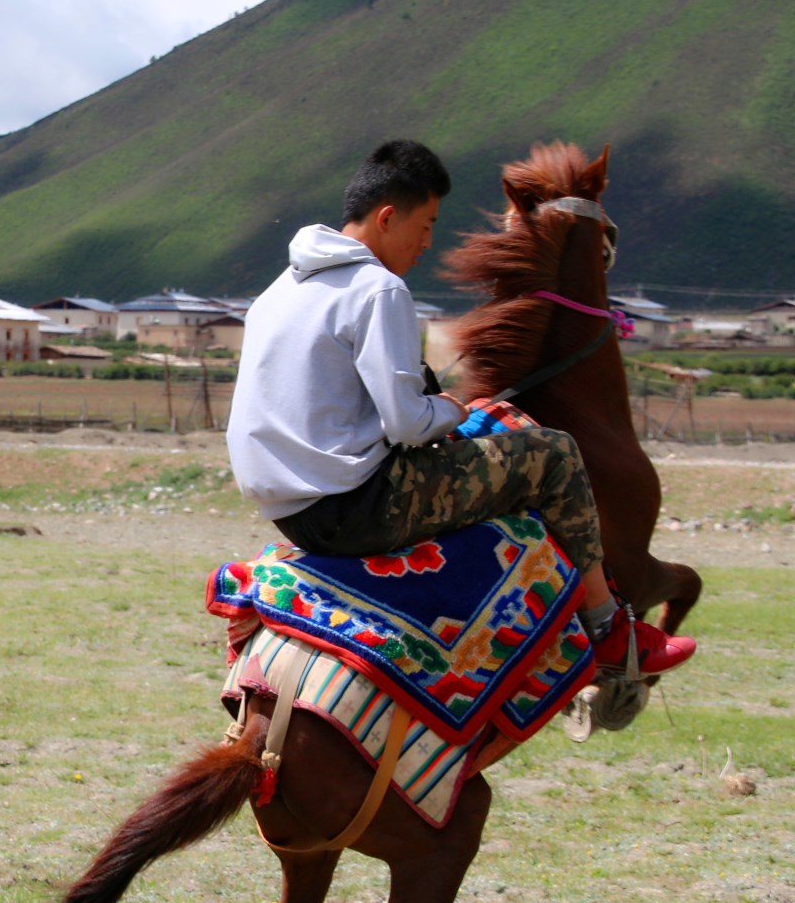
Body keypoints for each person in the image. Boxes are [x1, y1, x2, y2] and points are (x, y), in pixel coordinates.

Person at [225, 139, 694, 675]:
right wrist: (451, 409)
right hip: (360, 507)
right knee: (555, 454)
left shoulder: (278, 291)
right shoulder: (377, 289)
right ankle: (613, 632)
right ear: (386, 217)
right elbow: (406, 423)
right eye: (425, 224)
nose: (428, 242)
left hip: (292, 514)